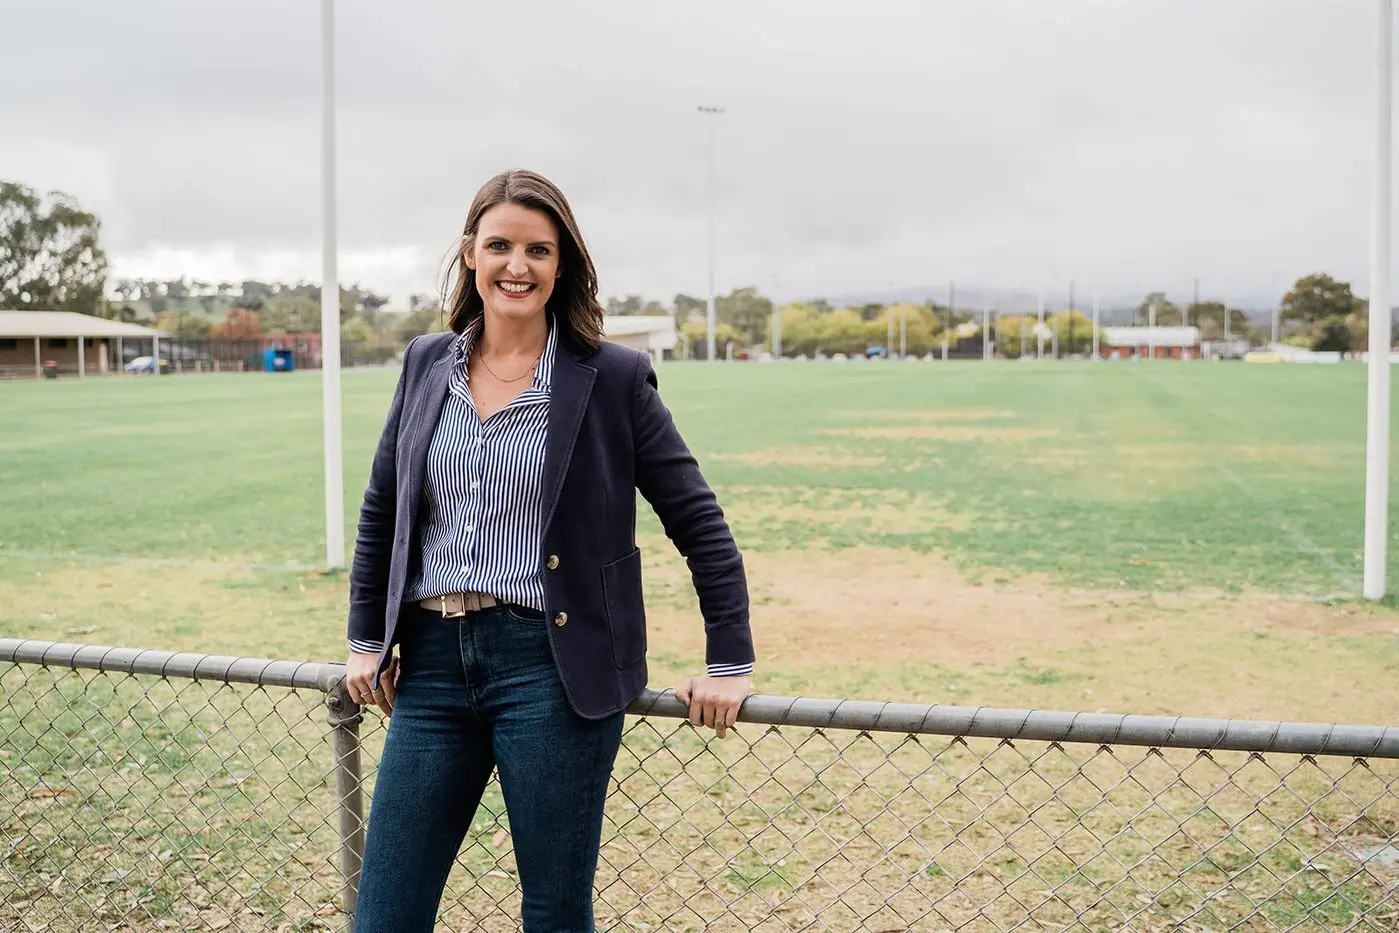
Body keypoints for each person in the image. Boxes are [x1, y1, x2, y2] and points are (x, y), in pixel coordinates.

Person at [343, 168, 755, 932]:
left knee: (555, 913)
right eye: (498, 245)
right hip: (428, 670)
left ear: (561, 263)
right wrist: (367, 638)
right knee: (384, 915)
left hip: (551, 671)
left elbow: (698, 521)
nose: (516, 265)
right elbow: (383, 508)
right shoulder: (425, 362)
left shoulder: (613, 378)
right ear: (470, 253)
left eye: (538, 249)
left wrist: (728, 659)